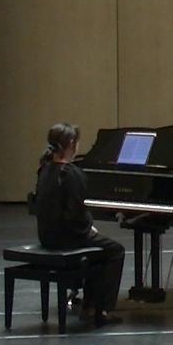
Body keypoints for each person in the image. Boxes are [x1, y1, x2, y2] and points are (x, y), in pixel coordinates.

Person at [34, 122, 126, 326]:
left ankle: (90, 304)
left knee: (98, 249)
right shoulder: (73, 174)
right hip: (68, 238)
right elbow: (75, 217)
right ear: (72, 144)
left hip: (47, 236)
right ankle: (101, 310)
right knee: (115, 251)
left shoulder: (44, 169)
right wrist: (89, 227)